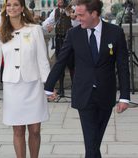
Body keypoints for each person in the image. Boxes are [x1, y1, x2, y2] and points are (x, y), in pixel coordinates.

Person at [44, 0, 130, 157]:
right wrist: (48, 87)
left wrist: (124, 97)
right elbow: (61, 61)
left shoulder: (115, 33)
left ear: (94, 14)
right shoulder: (73, 34)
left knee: (94, 142)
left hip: (106, 95)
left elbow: (123, 66)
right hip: (84, 95)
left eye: (81, 15)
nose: (77, 18)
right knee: (91, 143)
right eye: (76, 14)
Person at [0, 0, 50, 158]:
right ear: (5, 9)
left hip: (34, 85)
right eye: (9, 5)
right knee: (18, 130)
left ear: (22, 8)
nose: (12, 8)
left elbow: (43, 59)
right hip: (13, 88)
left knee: (35, 130)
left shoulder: (35, 30)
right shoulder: (0, 32)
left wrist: (49, 86)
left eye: (15, 4)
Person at [42, 0, 75, 97]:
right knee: (59, 65)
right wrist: (48, 26)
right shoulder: (55, 11)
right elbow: (45, 24)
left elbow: (78, 24)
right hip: (59, 41)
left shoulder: (72, 10)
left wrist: (73, 17)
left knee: (72, 66)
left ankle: (74, 88)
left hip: (70, 42)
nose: (59, 1)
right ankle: (61, 89)